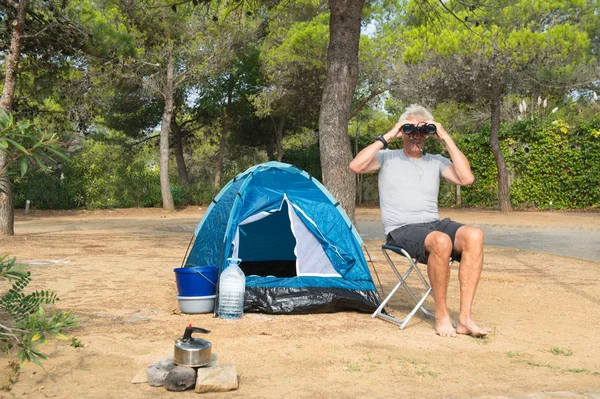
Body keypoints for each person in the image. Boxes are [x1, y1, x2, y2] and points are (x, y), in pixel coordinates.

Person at [349, 104, 491, 338]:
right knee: (441, 241)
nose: (417, 135)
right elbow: (355, 166)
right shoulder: (386, 157)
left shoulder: (435, 161)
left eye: (423, 131)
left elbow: (466, 179)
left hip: (432, 224)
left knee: (474, 235)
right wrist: (389, 135)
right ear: (402, 132)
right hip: (401, 229)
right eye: (410, 130)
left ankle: (465, 319)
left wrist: (445, 137)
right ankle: (442, 315)